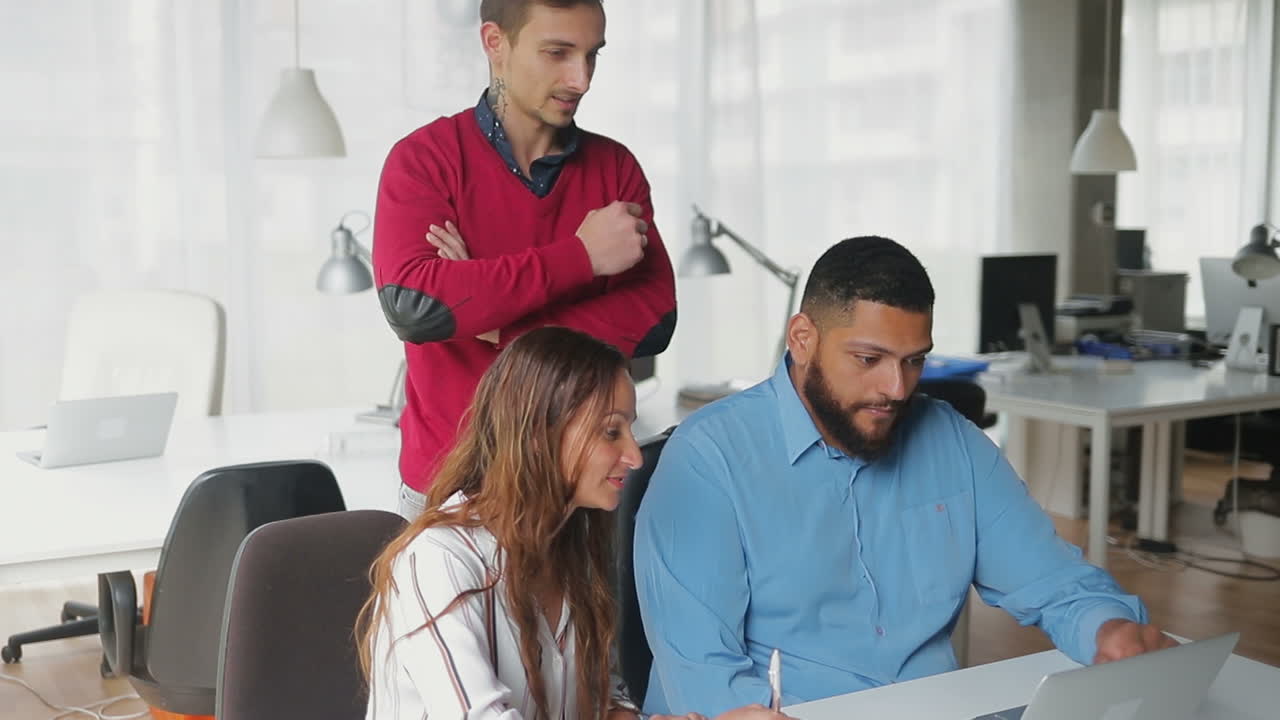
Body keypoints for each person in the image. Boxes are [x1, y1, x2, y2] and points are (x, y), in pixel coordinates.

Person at [633, 237, 1177, 716]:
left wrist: (1109, 629)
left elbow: (1055, 583)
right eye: (869, 359)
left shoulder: (951, 440)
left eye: (914, 361)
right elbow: (701, 673)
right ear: (802, 338)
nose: (896, 388)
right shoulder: (708, 460)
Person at [357, 327, 787, 720]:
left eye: (629, 431)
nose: (635, 457)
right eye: (610, 432)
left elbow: (603, 705)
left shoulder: (572, 548)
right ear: (539, 435)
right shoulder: (438, 563)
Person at [373, 0, 677, 518]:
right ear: (495, 43)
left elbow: (653, 322)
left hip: (576, 497)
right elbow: (418, 306)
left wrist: (498, 325)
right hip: (452, 494)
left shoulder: (615, 169)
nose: (580, 79)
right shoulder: (423, 161)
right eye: (557, 53)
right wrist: (583, 257)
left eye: (592, 55)